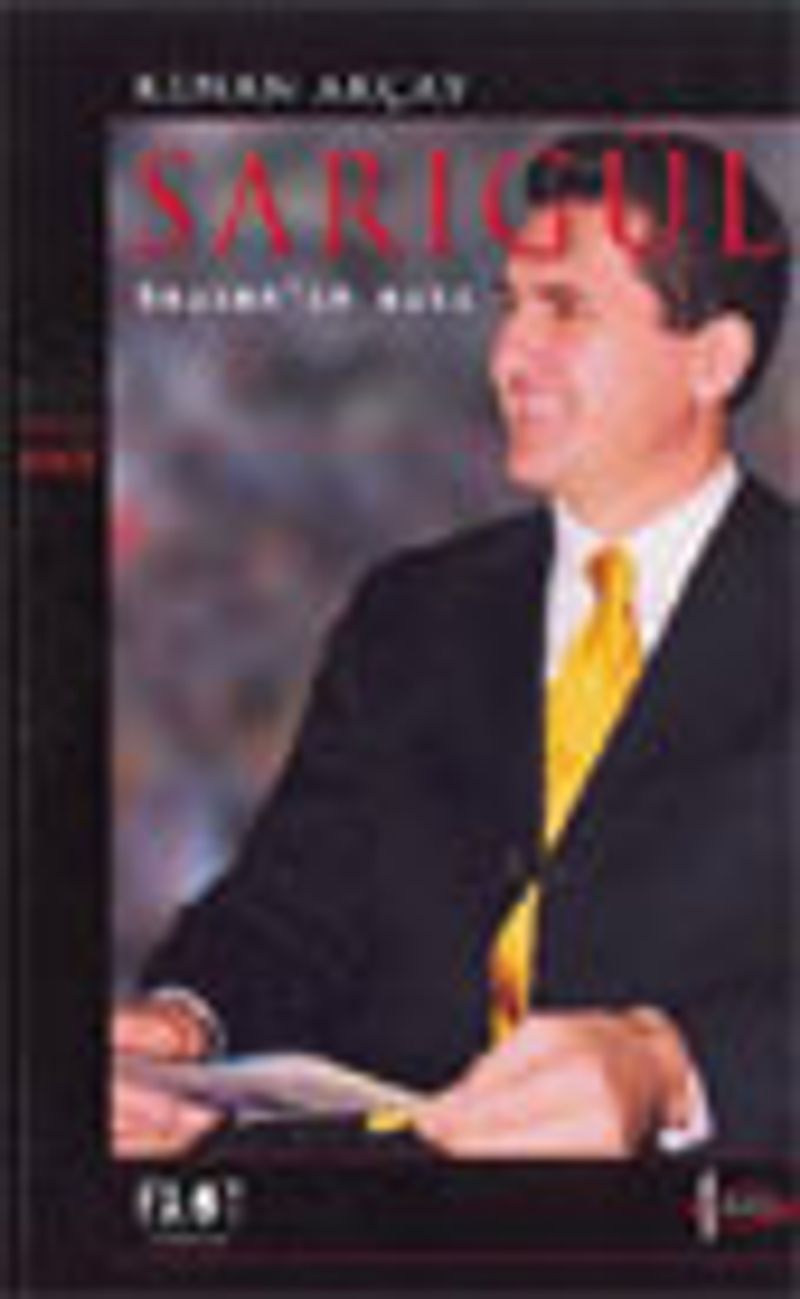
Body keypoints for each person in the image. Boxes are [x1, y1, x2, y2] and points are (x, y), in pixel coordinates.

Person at [112, 130, 795, 1161]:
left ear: (715, 359)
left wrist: (671, 1068)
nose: (509, 355)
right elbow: (286, 911)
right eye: (509, 306)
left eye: (564, 308)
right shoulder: (407, 614)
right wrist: (186, 1022)